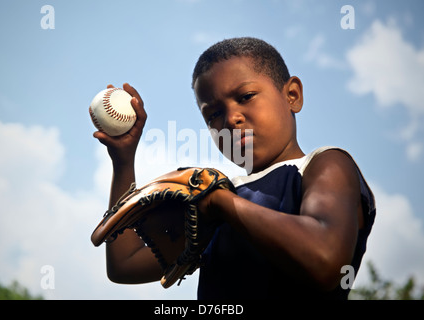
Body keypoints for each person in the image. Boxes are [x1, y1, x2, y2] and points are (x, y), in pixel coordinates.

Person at [93, 37, 376, 300]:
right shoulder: (211, 199)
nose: (231, 118)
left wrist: (219, 202)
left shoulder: (322, 164)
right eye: (213, 114)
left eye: (246, 96)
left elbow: (326, 260)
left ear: (292, 95)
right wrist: (123, 161)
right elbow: (124, 264)